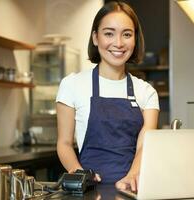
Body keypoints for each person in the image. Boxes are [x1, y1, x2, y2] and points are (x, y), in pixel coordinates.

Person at [56, 1, 159, 191]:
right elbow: (64, 143)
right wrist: (81, 175)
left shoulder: (146, 92)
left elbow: (145, 146)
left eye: (127, 34)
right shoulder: (71, 85)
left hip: (133, 189)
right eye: (109, 33)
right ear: (95, 38)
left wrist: (131, 177)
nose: (118, 43)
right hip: (87, 191)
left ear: (135, 39)